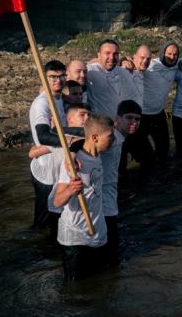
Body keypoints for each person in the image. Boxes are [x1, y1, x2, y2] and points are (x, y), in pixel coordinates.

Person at [54, 114, 114, 281]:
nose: (114, 140)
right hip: (74, 236)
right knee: (75, 290)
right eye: (110, 136)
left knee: (98, 283)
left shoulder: (98, 152)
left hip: (97, 232)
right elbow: (57, 201)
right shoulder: (74, 165)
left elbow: (83, 138)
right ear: (95, 137)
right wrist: (69, 190)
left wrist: (73, 147)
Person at [29, 102, 88, 239]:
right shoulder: (63, 137)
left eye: (88, 115)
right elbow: (32, 153)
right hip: (49, 178)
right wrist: (67, 141)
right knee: (48, 219)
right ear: (70, 119)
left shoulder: (88, 137)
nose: (86, 119)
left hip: (72, 183)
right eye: (82, 115)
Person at [28, 60, 69, 229]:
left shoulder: (59, 99)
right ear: (44, 79)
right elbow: (43, 136)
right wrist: (73, 139)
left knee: (57, 216)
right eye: (52, 77)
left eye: (61, 76)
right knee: (43, 220)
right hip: (46, 172)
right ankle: (37, 252)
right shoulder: (42, 103)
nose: (57, 81)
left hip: (59, 168)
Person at [101, 100, 141, 265]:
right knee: (111, 256)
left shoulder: (120, 139)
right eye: (129, 118)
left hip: (109, 203)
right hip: (102, 206)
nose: (133, 123)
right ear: (117, 119)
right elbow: (86, 141)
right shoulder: (110, 139)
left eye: (137, 119)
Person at [139, 40, 178, 164]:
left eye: (175, 54)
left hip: (158, 114)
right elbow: (131, 62)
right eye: (169, 54)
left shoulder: (177, 65)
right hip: (141, 115)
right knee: (143, 153)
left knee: (164, 150)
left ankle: (163, 179)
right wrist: (124, 59)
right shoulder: (150, 65)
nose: (172, 57)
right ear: (162, 53)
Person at [86, 39, 140, 118]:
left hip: (118, 124)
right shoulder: (89, 71)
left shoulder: (123, 71)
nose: (111, 57)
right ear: (99, 55)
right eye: (107, 53)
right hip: (99, 124)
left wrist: (124, 60)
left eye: (115, 54)